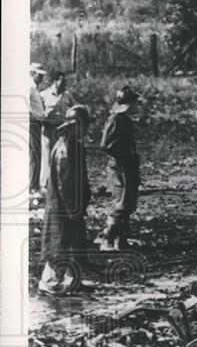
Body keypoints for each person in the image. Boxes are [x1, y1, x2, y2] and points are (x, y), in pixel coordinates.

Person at [39, 105, 92, 296]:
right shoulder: (64, 149)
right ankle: (49, 282)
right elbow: (65, 183)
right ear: (75, 126)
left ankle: (73, 280)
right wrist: (73, 209)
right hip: (63, 206)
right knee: (59, 245)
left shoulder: (73, 145)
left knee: (72, 244)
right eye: (84, 125)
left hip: (70, 205)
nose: (86, 129)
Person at [99, 85, 142, 252]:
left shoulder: (125, 119)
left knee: (129, 204)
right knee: (121, 204)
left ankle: (121, 240)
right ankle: (107, 238)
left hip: (127, 166)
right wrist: (124, 157)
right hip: (120, 167)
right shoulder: (115, 119)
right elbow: (106, 145)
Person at [39, 70, 75, 190]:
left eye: (65, 81)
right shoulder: (43, 95)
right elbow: (37, 113)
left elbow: (74, 109)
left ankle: (59, 184)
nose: (64, 83)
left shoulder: (67, 96)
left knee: (61, 156)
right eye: (61, 80)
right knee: (47, 157)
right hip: (48, 130)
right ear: (54, 81)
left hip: (62, 130)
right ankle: (45, 184)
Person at [29, 63, 47, 198]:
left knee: (35, 154)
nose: (41, 78)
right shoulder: (29, 86)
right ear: (33, 73)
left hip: (36, 122)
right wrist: (32, 116)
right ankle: (33, 187)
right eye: (39, 75)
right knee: (35, 154)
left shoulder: (34, 87)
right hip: (32, 122)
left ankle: (33, 185)